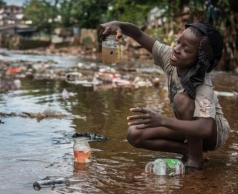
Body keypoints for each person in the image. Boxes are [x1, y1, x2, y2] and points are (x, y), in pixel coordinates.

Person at [99, 20, 231, 169]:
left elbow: (206, 127)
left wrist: (162, 120)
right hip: (190, 128)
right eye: (178, 42)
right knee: (134, 133)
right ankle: (188, 151)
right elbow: (138, 34)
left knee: (182, 100)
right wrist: (119, 25)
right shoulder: (169, 57)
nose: (176, 49)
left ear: (199, 61)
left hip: (214, 133)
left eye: (186, 50)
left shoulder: (202, 84)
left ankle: (195, 161)